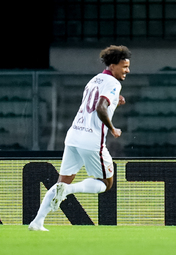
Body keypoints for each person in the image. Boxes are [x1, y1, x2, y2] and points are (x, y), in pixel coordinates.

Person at [28, 45, 131, 231]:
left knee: (63, 180)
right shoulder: (114, 84)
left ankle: (37, 222)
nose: (127, 70)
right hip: (91, 140)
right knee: (106, 183)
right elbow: (100, 107)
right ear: (113, 65)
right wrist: (112, 128)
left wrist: (117, 99)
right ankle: (69, 190)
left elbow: (95, 101)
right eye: (124, 66)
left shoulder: (95, 79)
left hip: (74, 135)